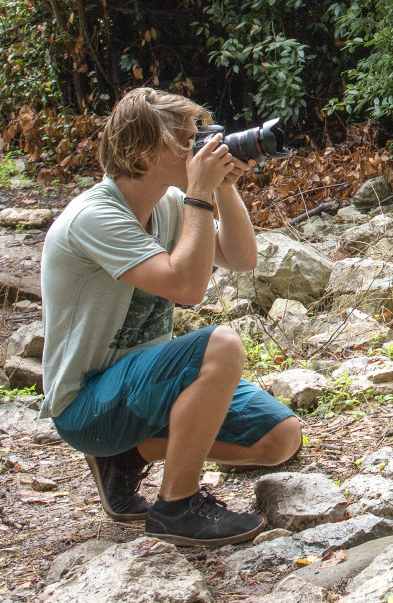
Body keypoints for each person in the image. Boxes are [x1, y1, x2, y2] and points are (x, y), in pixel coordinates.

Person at [38, 87, 302, 546]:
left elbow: (241, 258)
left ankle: (124, 457)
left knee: (281, 438)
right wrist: (199, 194)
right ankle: (176, 507)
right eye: (186, 142)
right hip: (86, 404)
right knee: (221, 344)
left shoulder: (166, 204)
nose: (199, 148)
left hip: (148, 388)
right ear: (141, 151)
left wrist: (224, 187)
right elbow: (187, 287)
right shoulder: (94, 216)